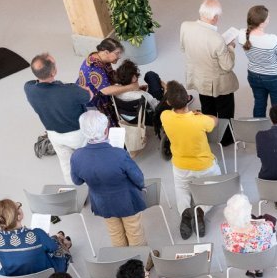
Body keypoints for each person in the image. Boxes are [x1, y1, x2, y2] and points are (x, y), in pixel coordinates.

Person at [69, 111, 148, 248]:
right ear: (106, 130)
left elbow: (77, 181)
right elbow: (138, 178)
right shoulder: (119, 154)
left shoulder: (76, 156)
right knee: (134, 231)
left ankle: (122, 260)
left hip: (102, 203)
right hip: (127, 201)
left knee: (115, 233)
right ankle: (142, 262)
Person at [161, 80, 221, 238]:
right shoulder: (199, 120)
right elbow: (215, 121)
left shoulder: (165, 116)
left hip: (180, 165)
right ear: (188, 98)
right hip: (204, 166)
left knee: (181, 189)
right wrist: (202, 115)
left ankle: (185, 212)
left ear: (168, 102)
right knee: (214, 188)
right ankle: (201, 211)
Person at [24, 53, 90, 184]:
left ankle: (75, 191)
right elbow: (88, 96)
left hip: (53, 135)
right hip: (77, 134)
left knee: (66, 165)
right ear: (53, 72)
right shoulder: (69, 90)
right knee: (87, 159)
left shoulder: (28, 88)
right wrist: (81, 89)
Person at [180, 0, 239, 148]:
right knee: (225, 110)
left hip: (199, 78)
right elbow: (227, 65)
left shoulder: (185, 26)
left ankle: (209, 133)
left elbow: (183, 48)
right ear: (214, 17)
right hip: (218, 83)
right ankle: (226, 139)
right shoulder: (216, 39)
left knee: (207, 107)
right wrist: (230, 47)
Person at [0, 197, 71, 276]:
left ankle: (59, 237)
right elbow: (53, 248)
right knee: (55, 242)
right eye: (18, 206)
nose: (20, 206)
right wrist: (47, 238)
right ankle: (64, 241)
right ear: (18, 216)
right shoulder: (38, 233)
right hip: (47, 277)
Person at [241, 6, 277, 118]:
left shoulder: (241, 34)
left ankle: (258, 129)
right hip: (274, 77)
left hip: (253, 75)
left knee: (259, 103)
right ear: (261, 24)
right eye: (268, 18)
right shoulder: (272, 40)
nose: (269, 19)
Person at [78, 38, 133, 124]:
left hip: (96, 93)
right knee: (102, 126)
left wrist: (128, 81)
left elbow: (111, 75)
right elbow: (106, 90)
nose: (119, 56)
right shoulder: (94, 68)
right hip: (92, 100)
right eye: (117, 53)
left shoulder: (102, 58)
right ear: (106, 52)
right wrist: (131, 87)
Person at [221, 193, 277, 278]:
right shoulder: (265, 227)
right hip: (264, 257)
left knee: (246, 245)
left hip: (239, 261)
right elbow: (271, 224)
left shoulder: (224, 228)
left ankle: (251, 268)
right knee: (269, 221)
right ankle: (259, 268)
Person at [109, 59, 165, 132]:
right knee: (150, 75)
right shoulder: (142, 95)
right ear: (134, 77)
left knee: (150, 76)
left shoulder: (115, 91)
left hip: (130, 116)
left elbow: (128, 95)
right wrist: (165, 92)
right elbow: (156, 107)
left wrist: (137, 89)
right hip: (149, 118)